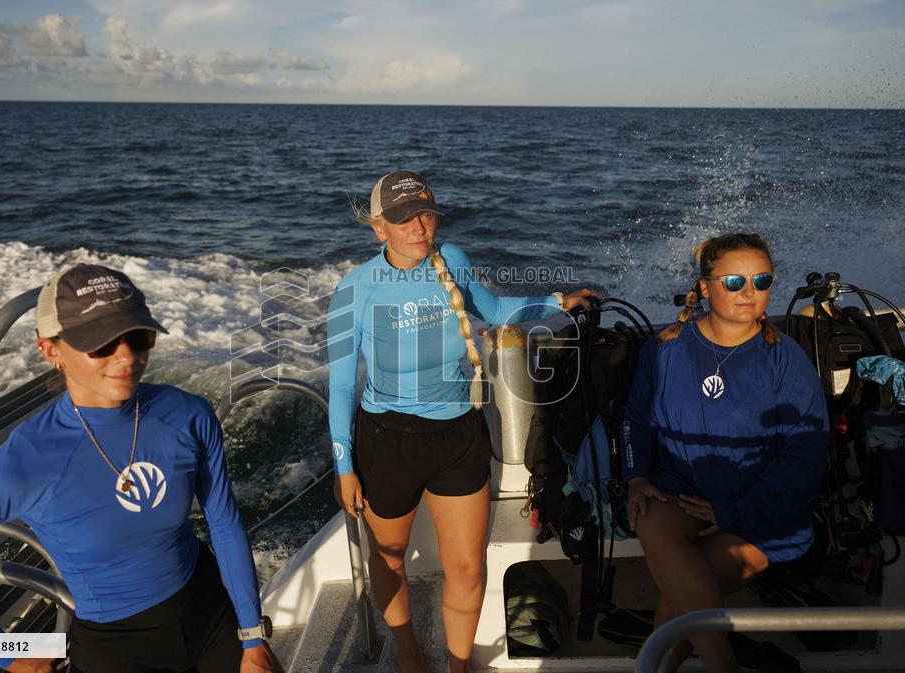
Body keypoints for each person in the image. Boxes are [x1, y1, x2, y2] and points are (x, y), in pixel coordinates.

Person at [0, 264, 277, 673]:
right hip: (117, 651)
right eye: (101, 343)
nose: (127, 357)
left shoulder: (187, 414)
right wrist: (7, 656)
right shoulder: (21, 465)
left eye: (138, 337)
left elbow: (223, 525)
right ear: (50, 350)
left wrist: (252, 636)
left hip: (210, 617)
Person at [326, 170, 597, 673]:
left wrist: (556, 302)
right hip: (388, 440)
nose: (418, 226)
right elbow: (341, 384)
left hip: (458, 436)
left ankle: (458, 665)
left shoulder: (453, 261)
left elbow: (494, 309)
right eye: (403, 218)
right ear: (379, 228)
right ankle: (407, 651)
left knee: (468, 569)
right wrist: (344, 465)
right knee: (387, 560)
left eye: (426, 214)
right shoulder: (355, 289)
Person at [620, 233, 828, 673]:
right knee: (650, 515)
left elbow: (804, 458)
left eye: (762, 280)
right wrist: (636, 476)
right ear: (705, 286)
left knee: (686, 591)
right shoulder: (666, 350)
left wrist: (732, 510)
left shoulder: (785, 359)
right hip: (685, 497)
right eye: (735, 281)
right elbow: (635, 420)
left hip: (761, 511)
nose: (749, 292)